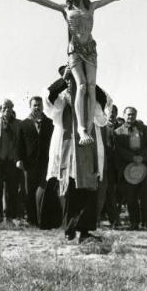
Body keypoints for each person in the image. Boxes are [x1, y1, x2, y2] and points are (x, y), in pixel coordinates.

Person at [0, 0, 147, 146]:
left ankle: (88, 127)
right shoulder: (65, 9)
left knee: (91, 88)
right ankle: (81, 129)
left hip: (90, 50)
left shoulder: (91, 7)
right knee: (82, 85)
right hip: (75, 50)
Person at [44, 66, 112, 243]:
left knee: (88, 189)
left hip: (88, 146)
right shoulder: (62, 97)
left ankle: (85, 231)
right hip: (67, 148)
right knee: (68, 188)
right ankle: (69, 228)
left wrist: (90, 86)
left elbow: (103, 115)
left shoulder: (92, 94)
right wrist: (61, 83)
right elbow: (49, 103)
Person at [114, 107, 147, 230]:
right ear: (124, 115)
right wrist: (132, 157)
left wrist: (142, 157)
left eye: (133, 114)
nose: (131, 117)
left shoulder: (144, 129)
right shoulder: (118, 132)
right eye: (129, 114)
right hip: (127, 168)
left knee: (145, 195)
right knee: (131, 196)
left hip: (143, 166)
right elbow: (118, 148)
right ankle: (134, 222)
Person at [17, 96, 54, 226]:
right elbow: (19, 144)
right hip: (29, 163)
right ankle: (31, 218)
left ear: (43, 106)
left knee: (43, 191)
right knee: (29, 191)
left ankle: (43, 219)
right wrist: (19, 159)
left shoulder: (50, 123)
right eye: (35, 105)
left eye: (39, 105)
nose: (37, 107)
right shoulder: (23, 124)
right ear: (30, 106)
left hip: (45, 162)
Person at [0, 99, 22, 222]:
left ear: (12, 109)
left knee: (11, 189)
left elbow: (20, 143)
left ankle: (9, 215)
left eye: (9, 107)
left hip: (11, 160)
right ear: (0, 110)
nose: (7, 110)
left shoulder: (18, 124)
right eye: (4, 107)